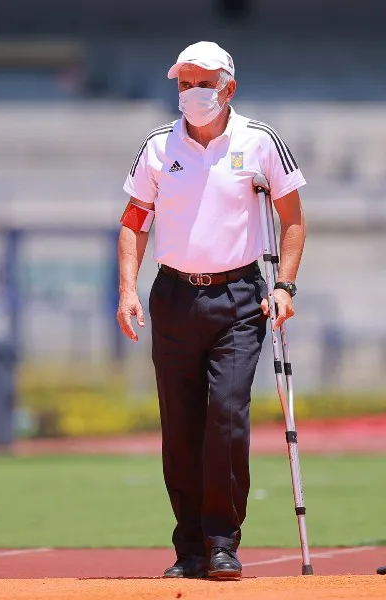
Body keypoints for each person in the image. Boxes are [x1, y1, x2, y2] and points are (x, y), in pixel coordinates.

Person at [116, 41, 307, 580]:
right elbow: (133, 220)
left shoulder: (261, 141)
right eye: (183, 84)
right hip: (174, 296)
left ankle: (223, 541)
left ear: (228, 87)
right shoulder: (157, 145)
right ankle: (190, 547)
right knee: (180, 427)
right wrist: (128, 289)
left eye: (202, 83)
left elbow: (292, 218)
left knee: (226, 415)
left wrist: (285, 285)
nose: (191, 94)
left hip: (240, 298)